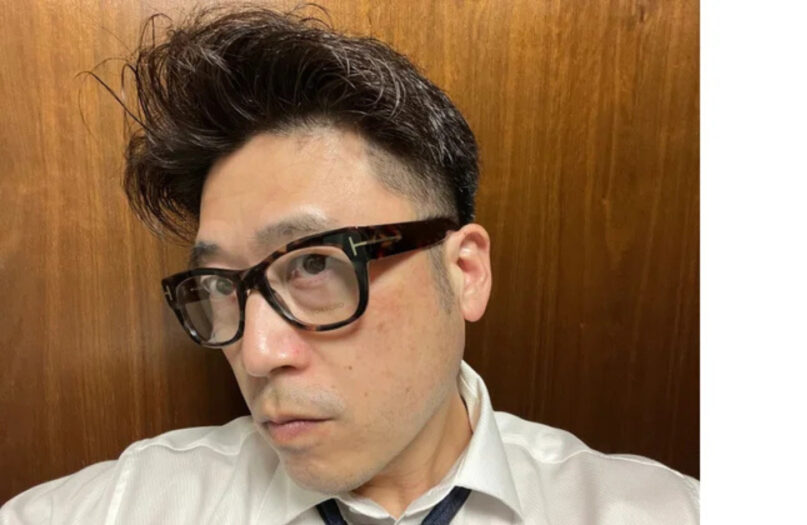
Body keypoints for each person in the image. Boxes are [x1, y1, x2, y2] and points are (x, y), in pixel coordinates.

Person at [0, 6, 698, 524]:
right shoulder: (130, 505)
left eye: (313, 264)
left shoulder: (663, 511)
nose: (257, 352)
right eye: (220, 285)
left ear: (465, 272)